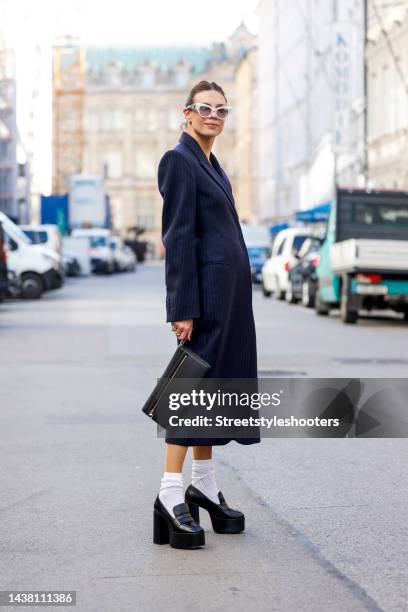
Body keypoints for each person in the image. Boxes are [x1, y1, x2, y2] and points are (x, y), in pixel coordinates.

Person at [153, 80, 260, 549]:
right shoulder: (179, 160)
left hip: (230, 299)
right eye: (205, 108)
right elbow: (177, 237)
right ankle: (170, 493)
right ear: (187, 113)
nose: (214, 115)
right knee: (191, 391)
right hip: (207, 301)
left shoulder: (211, 162)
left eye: (222, 109)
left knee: (215, 391)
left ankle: (204, 483)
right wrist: (183, 308)